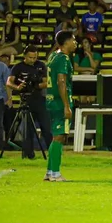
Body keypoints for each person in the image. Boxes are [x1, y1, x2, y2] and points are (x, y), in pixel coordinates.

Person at [7, 45, 52, 160]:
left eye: (35, 57)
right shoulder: (18, 67)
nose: (33, 60)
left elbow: (47, 82)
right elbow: (9, 82)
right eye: (30, 57)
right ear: (25, 56)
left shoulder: (41, 65)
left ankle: (52, 153)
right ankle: (29, 154)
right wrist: (17, 87)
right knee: (28, 131)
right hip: (26, 101)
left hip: (40, 100)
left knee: (46, 128)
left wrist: (35, 85)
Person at [45, 31, 77, 182]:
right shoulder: (64, 58)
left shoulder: (52, 56)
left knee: (55, 136)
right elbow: (61, 81)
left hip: (51, 100)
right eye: (73, 40)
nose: (75, 43)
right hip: (60, 101)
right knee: (59, 137)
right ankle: (55, 174)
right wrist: (66, 105)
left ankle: (50, 171)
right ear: (66, 43)